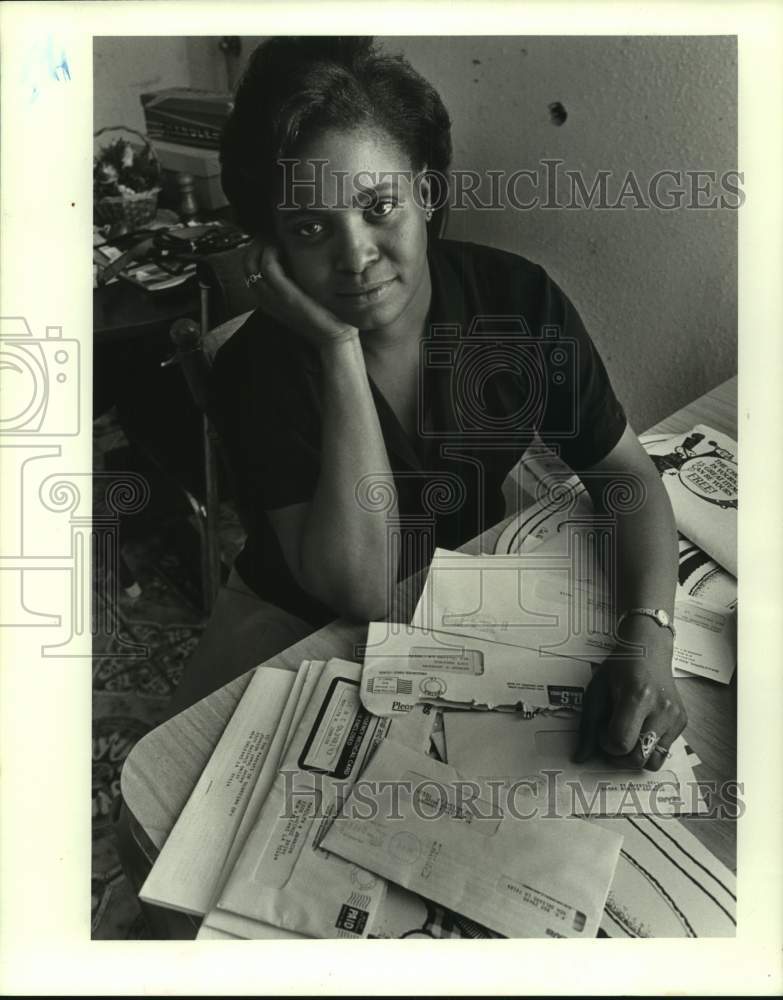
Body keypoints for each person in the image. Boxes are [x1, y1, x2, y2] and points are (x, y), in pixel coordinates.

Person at [171, 36, 686, 772]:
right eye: (310, 227)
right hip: (295, 618)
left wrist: (649, 633)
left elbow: (626, 476)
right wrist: (337, 349)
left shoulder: (516, 302)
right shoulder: (259, 366)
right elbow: (362, 589)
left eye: (379, 206)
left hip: (456, 589)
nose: (355, 256)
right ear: (272, 247)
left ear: (426, 191)